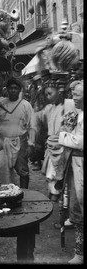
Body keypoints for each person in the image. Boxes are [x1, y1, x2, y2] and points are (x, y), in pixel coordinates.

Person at [0, 77, 37, 189]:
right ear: (7, 89)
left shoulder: (26, 105)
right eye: (10, 88)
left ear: (19, 90)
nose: (13, 90)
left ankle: (25, 192)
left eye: (15, 88)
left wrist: (31, 143)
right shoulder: (1, 102)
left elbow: (32, 126)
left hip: (19, 140)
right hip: (1, 138)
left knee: (22, 169)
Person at [35, 72, 76, 201]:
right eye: (46, 94)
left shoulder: (68, 105)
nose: (48, 97)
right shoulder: (50, 107)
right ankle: (54, 195)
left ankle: (57, 196)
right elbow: (38, 116)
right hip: (51, 145)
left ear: (60, 92)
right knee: (51, 174)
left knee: (58, 174)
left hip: (62, 145)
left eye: (50, 94)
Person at [58, 80, 83, 264]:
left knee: (81, 206)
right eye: (73, 95)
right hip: (75, 163)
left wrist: (62, 136)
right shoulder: (78, 113)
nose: (74, 98)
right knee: (75, 203)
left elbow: (80, 142)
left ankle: (80, 254)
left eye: (78, 95)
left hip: (81, 162)